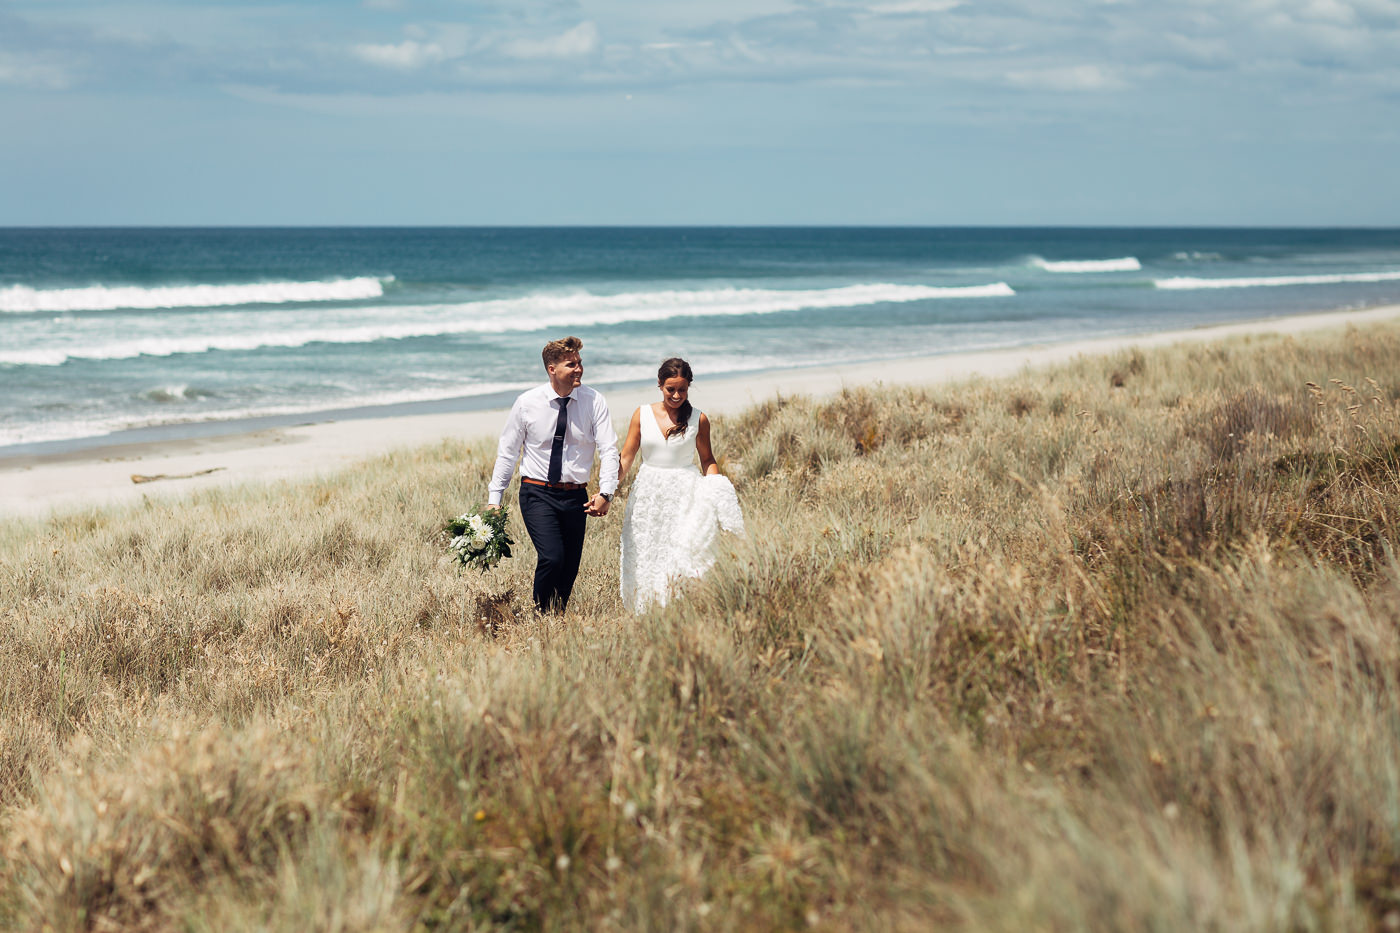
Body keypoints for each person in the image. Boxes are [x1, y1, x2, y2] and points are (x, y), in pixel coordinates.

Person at [488, 336, 619, 613]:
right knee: (552, 557)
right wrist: (495, 499)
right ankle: (540, 614)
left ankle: (555, 619)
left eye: (580, 363)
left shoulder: (594, 401)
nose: (579, 369)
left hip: (576, 497)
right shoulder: (526, 403)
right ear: (552, 369)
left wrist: (606, 492)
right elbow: (508, 452)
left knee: (570, 567)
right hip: (537, 492)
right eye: (571, 364)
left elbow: (609, 449)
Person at [618, 358, 744, 613]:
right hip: (648, 498)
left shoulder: (700, 419)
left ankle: (680, 610)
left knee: (684, 552)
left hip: (686, 496)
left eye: (682, 390)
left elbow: (707, 460)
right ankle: (645, 611)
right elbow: (626, 457)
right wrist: (606, 491)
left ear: (689, 387)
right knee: (645, 553)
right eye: (670, 389)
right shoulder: (641, 414)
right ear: (659, 385)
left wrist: (715, 491)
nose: (676, 395)